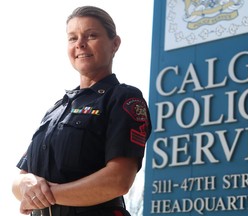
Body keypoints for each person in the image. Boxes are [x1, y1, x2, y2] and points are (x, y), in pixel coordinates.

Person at [12, 5, 151, 216]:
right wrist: (26, 184)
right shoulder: (56, 111)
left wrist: (47, 195)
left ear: (115, 44)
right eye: (72, 38)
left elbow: (118, 180)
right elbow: (21, 177)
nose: (80, 44)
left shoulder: (123, 98)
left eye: (91, 35)